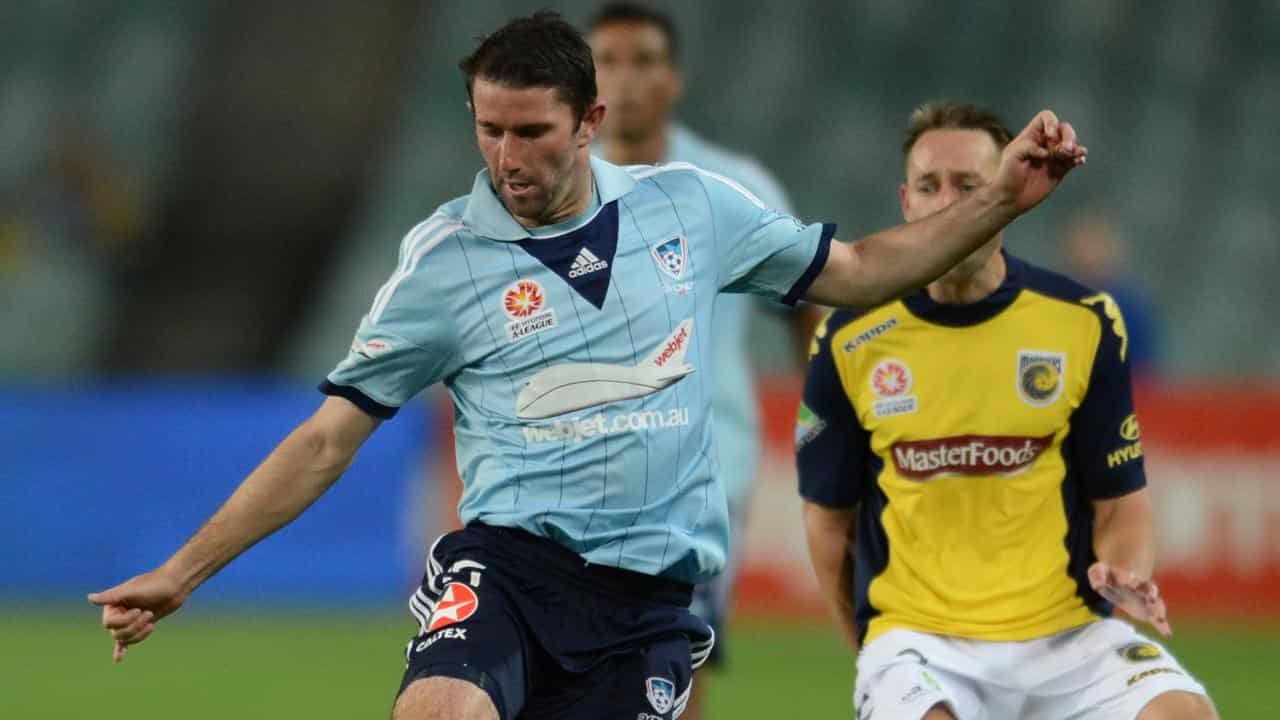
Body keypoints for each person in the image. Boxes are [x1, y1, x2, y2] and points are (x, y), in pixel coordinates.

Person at [88, 14, 1087, 720]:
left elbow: (865, 270)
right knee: (437, 710)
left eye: (531, 132)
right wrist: (184, 571)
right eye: (489, 130)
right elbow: (325, 439)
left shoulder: (691, 208)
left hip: (651, 597)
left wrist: (1000, 200)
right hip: (512, 565)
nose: (507, 157)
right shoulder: (442, 263)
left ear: (588, 121)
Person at [797, 102, 1215, 720]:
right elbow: (828, 525)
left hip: (1067, 635)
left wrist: (1125, 576)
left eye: (971, 186)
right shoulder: (848, 336)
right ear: (905, 201)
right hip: (919, 641)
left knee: (1183, 715)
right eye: (930, 186)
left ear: (1009, 195)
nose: (948, 202)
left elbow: (1121, 501)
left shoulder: (1083, 319)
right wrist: (871, 653)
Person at [587, 5, 818, 714]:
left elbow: (808, 302)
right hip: (574, 460)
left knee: (675, 661)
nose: (626, 79)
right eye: (608, 61)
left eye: (644, 60)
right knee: (572, 660)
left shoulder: (730, 183)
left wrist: (827, 423)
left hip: (706, 461)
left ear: (674, 78)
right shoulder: (553, 186)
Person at [1061, 212, 1162, 381]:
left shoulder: (1132, 309)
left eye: (1096, 244)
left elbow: (1144, 373)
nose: (1088, 255)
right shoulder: (1055, 301)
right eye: (1083, 245)